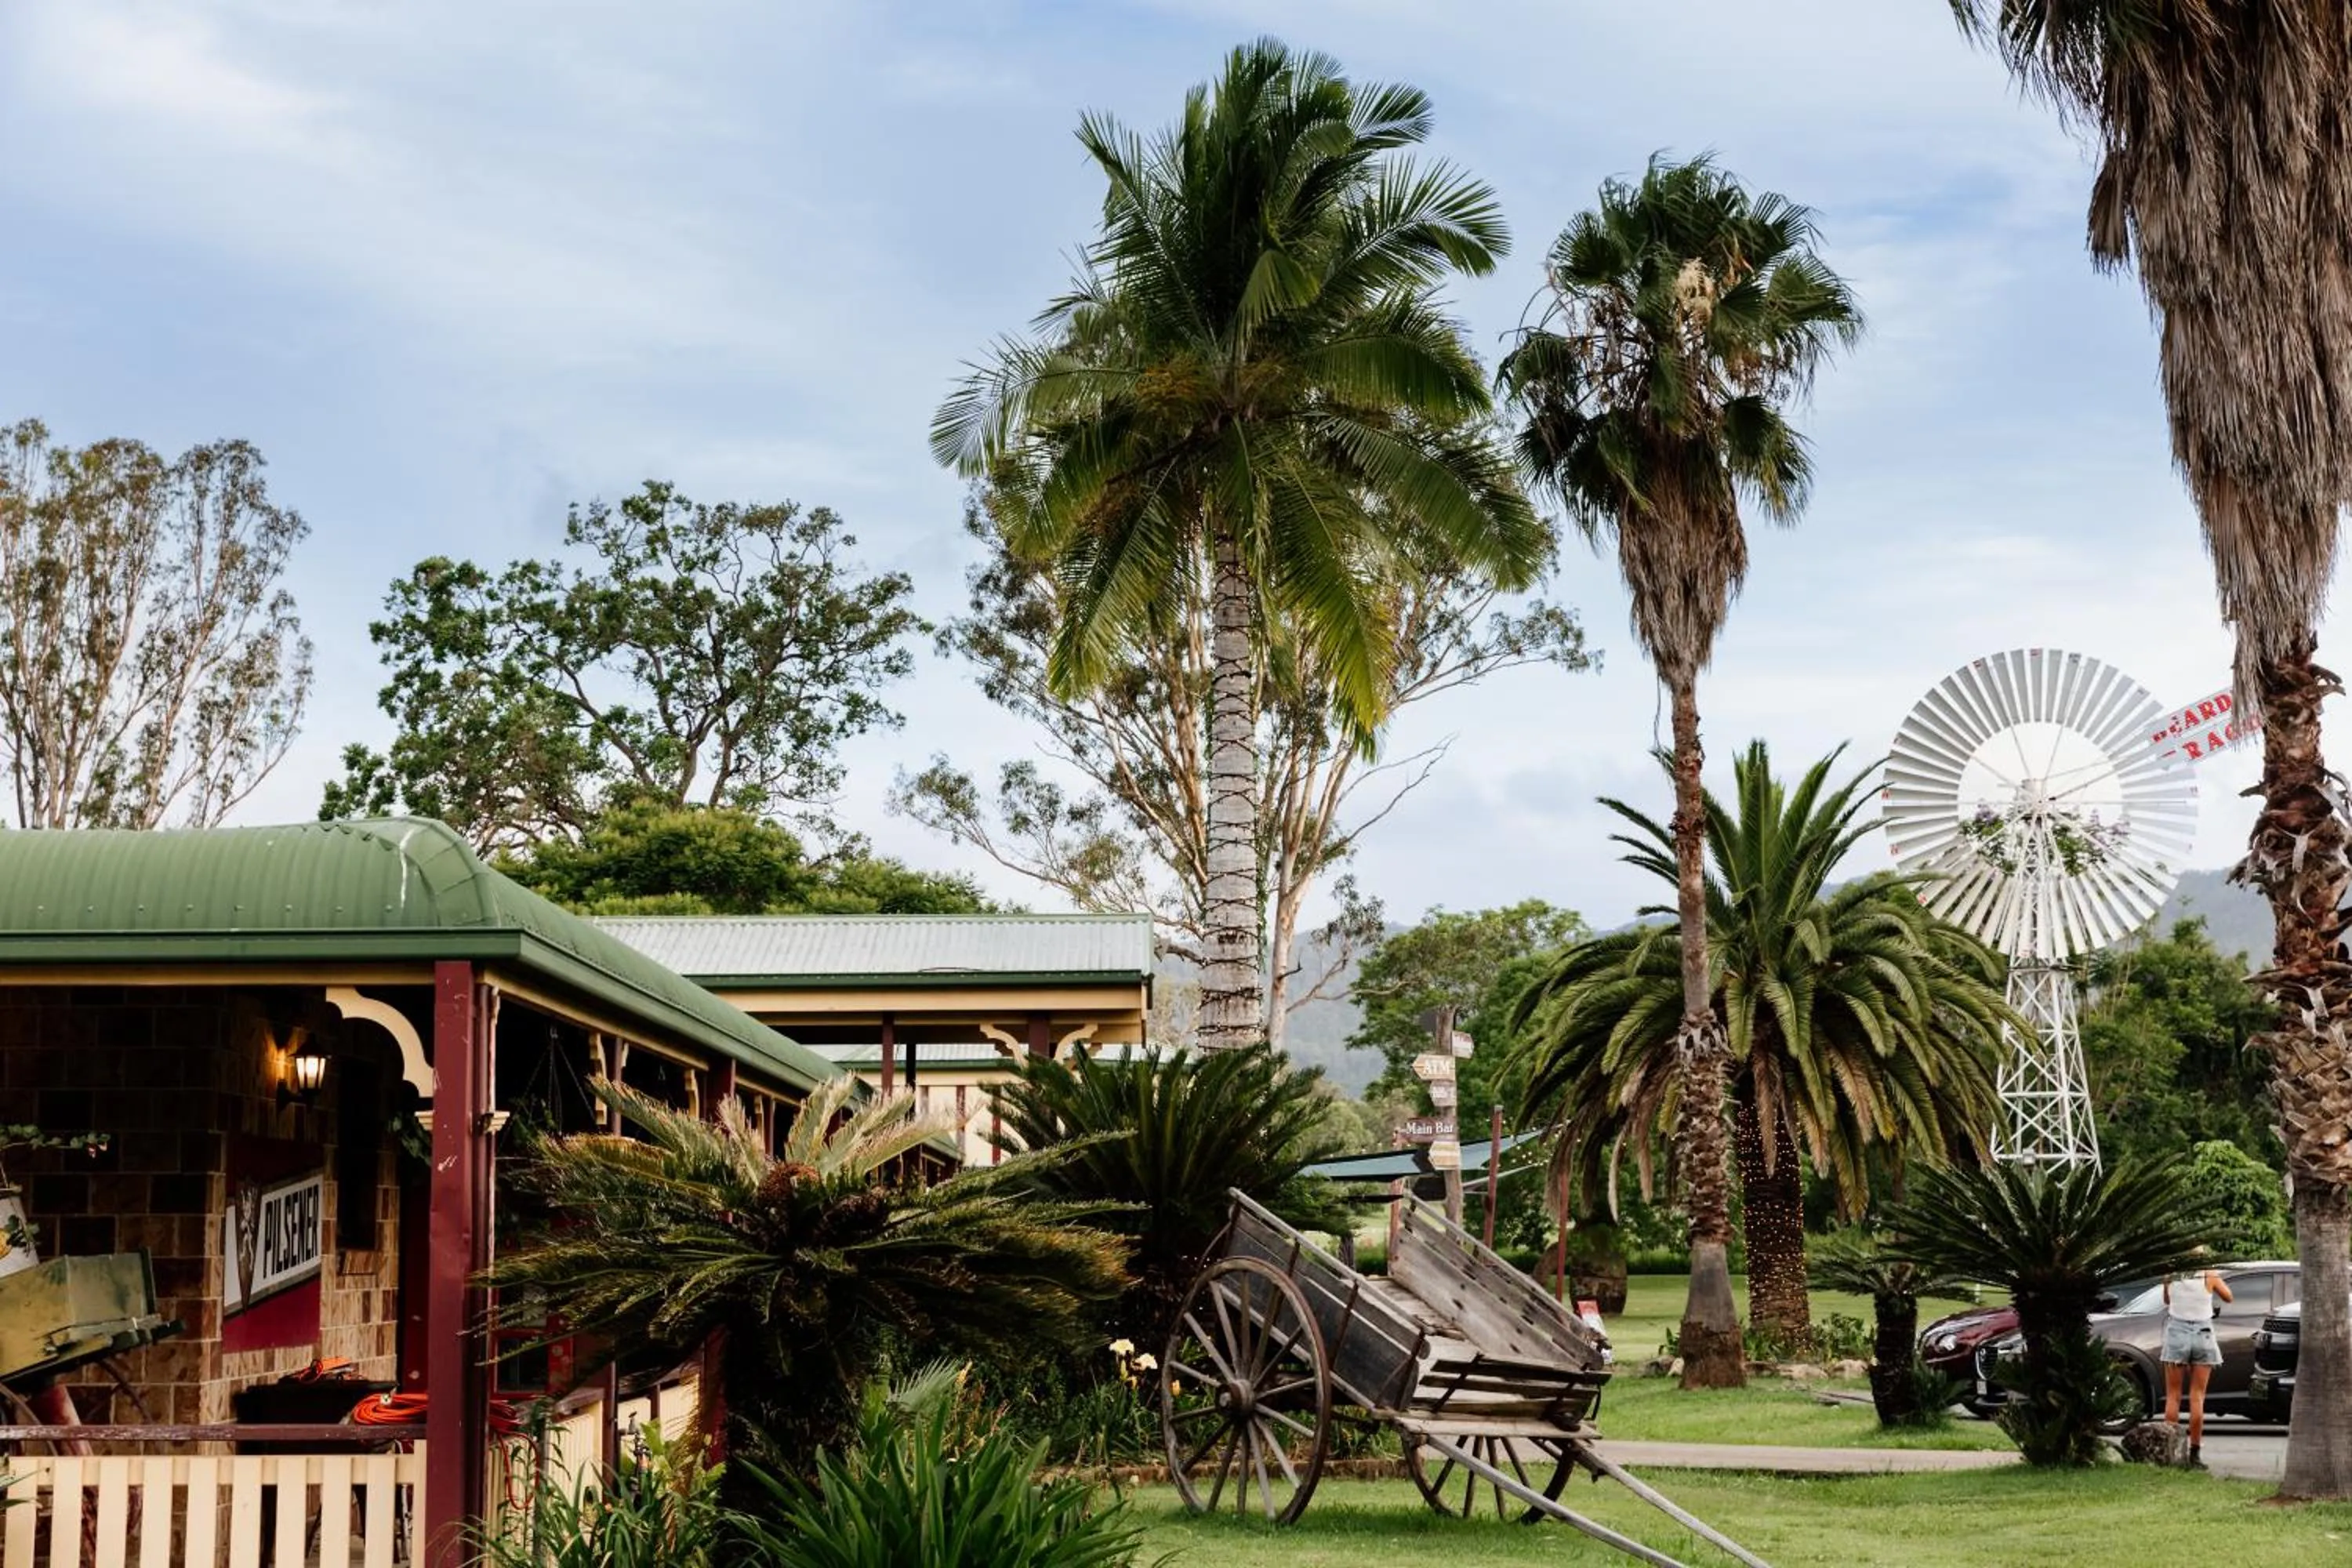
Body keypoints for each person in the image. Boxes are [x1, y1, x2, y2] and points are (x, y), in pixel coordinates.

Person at [2161, 1266, 2233, 1468]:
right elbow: (2229, 1297)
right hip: (2203, 1333)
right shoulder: (2209, 1275)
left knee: (2173, 1396)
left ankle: (2170, 1452)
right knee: (2197, 1396)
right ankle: (2195, 1454)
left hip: (2176, 1333)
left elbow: (2167, 1300)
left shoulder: (2171, 1274)